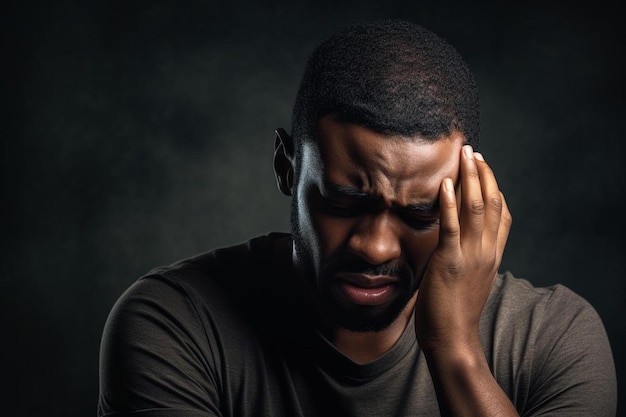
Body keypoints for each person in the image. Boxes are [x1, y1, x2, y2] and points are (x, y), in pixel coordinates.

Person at [97, 19, 617, 416]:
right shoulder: (175, 325)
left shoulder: (553, 339)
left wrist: (455, 348)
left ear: (472, 197)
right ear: (286, 167)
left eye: (419, 214)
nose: (376, 248)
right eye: (344, 203)